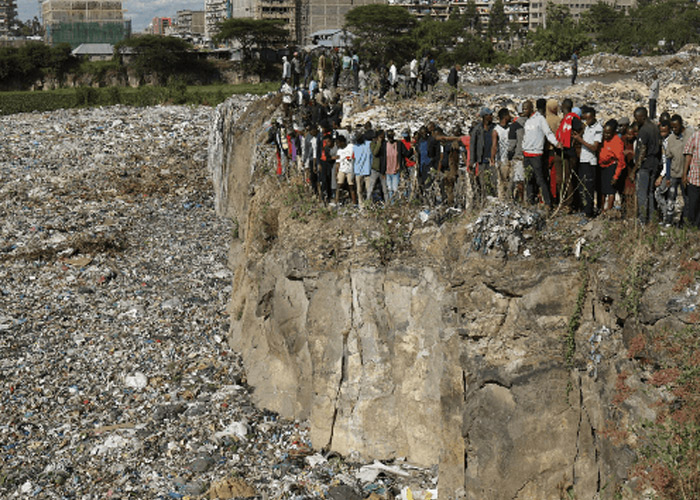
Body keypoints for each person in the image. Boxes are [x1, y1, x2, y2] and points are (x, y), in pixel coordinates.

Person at [522, 98, 560, 210]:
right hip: (526, 154)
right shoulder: (527, 121)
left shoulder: (540, 119)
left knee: (540, 179)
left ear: (531, 108)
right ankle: (530, 201)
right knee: (529, 179)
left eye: (525, 108)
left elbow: (548, 133)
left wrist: (556, 143)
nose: (523, 111)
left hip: (536, 154)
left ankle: (548, 203)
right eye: (523, 108)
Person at [662, 115, 694, 225]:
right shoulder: (671, 139)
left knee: (687, 199)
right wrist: (668, 177)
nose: (674, 129)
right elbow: (668, 158)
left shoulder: (690, 135)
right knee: (671, 199)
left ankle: (685, 221)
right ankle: (669, 221)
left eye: (676, 127)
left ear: (681, 124)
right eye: (672, 127)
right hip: (674, 173)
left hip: (687, 174)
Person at [572, 106, 602, 217]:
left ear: (593, 117)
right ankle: (584, 209)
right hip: (583, 160)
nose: (586, 121)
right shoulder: (587, 127)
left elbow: (594, 147)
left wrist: (581, 141)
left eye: (588, 119)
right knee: (582, 187)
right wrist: (578, 136)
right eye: (584, 119)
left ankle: (589, 212)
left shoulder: (598, 129)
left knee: (589, 188)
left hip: (590, 162)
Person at [633, 106, 661, 224]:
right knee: (650, 192)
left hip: (645, 164)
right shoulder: (655, 127)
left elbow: (642, 150)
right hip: (654, 163)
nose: (635, 121)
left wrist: (634, 169)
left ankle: (642, 219)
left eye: (637, 118)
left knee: (642, 193)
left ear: (642, 117)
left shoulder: (644, 130)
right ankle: (652, 219)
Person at [555, 99, 581, 211]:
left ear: (564, 106)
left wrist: (574, 141)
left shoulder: (573, 118)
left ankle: (569, 204)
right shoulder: (564, 120)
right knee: (560, 180)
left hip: (569, 153)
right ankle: (562, 201)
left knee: (568, 180)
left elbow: (581, 129)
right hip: (561, 151)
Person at [598, 119, 626, 216]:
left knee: (610, 190)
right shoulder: (602, 139)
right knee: (602, 189)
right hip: (602, 166)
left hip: (611, 166)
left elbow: (621, 162)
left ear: (613, 132)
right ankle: (602, 210)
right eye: (605, 132)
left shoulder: (617, 142)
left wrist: (616, 176)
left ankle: (608, 210)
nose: (606, 135)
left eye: (608, 133)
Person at [470, 107, 496, 197]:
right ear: (485, 116)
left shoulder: (495, 128)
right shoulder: (477, 129)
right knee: (483, 183)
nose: (492, 116)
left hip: (492, 160)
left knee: (493, 182)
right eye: (490, 115)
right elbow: (472, 145)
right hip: (481, 160)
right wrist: (472, 161)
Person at [508, 101, 530, 203]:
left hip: (519, 157)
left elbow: (512, 144)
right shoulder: (532, 122)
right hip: (531, 155)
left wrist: (509, 155)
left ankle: (522, 201)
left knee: (519, 180)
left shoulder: (514, 126)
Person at [491, 108, 511, 200]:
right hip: (501, 161)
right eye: (508, 115)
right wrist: (493, 159)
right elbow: (494, 146)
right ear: (505, 117)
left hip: (509, 160)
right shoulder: (496, 130)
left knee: (509, 183)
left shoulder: (510, 128)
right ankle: (502, 201)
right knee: (502, 183)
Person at [682, 127, 700, 227]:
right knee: (692, 205)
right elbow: (688, 155)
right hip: (694, 177)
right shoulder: (695, 136)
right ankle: (690, 227)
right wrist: (684, 174)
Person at [335, 135, 357, 205]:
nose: (338, 145)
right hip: (342, 169)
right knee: (339, 185)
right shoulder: (339, 151)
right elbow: (338, 163)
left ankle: (354, 203)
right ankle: (337, 201)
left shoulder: (351, 147)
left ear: (342, 142)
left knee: (351, 186)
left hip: (350, 170)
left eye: (339, 143)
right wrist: (336, 172)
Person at [368, 130, 387, 202]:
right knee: (371, 188)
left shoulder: (385, 144)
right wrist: (379, 143)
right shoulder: (373, 144)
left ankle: (388, 204)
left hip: (383, 170)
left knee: (385, 189)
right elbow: (375, 153)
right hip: (375, 169)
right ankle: (368, 203)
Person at [353, 131, 372, 202]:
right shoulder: (354, 147)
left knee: (369, 189)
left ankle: (369, 204)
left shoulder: (369, 144)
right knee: (359, 190)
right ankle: (361, 205)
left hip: (367, 170)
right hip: (358, 171)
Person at [385, 130, 401, 203]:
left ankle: (396, 203)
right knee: (389, 188)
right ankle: (391, 203)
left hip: (395, 170)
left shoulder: (398, 144)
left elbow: (404, 153)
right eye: (389, 137)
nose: (390, 138)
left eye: (391, 136)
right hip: (387, 171)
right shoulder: (385, 145)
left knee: (395, 189)